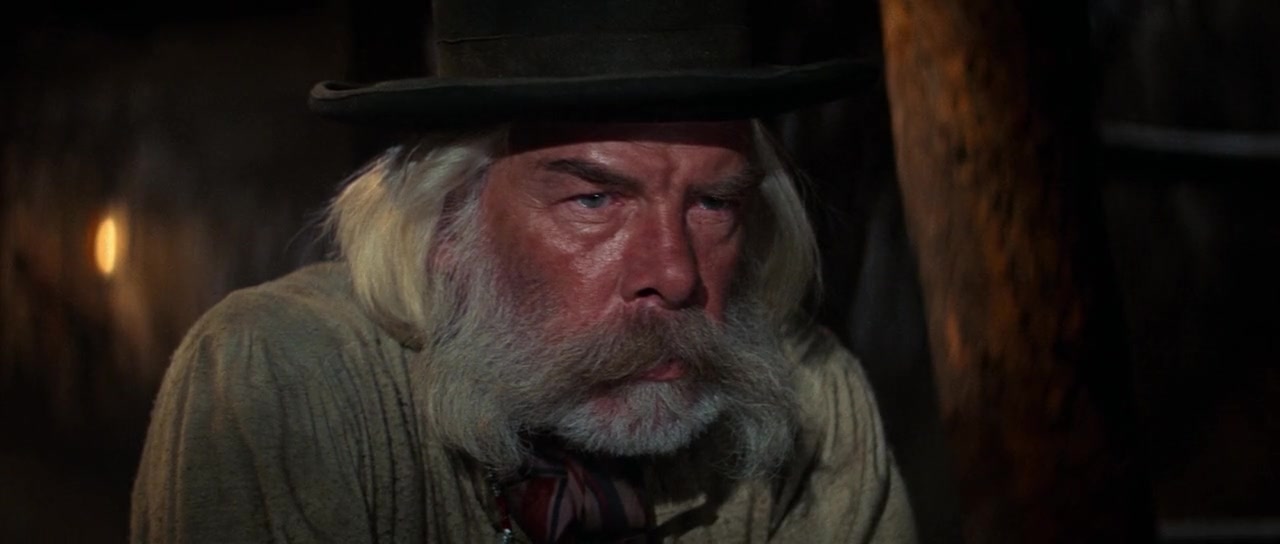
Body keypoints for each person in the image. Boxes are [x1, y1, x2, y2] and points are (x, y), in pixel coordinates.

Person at [130, 0, 917, 542]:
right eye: (595, 200)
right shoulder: (284, 377)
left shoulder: (814, 398)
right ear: (446, 221)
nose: (675, 275)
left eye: (714, 203)